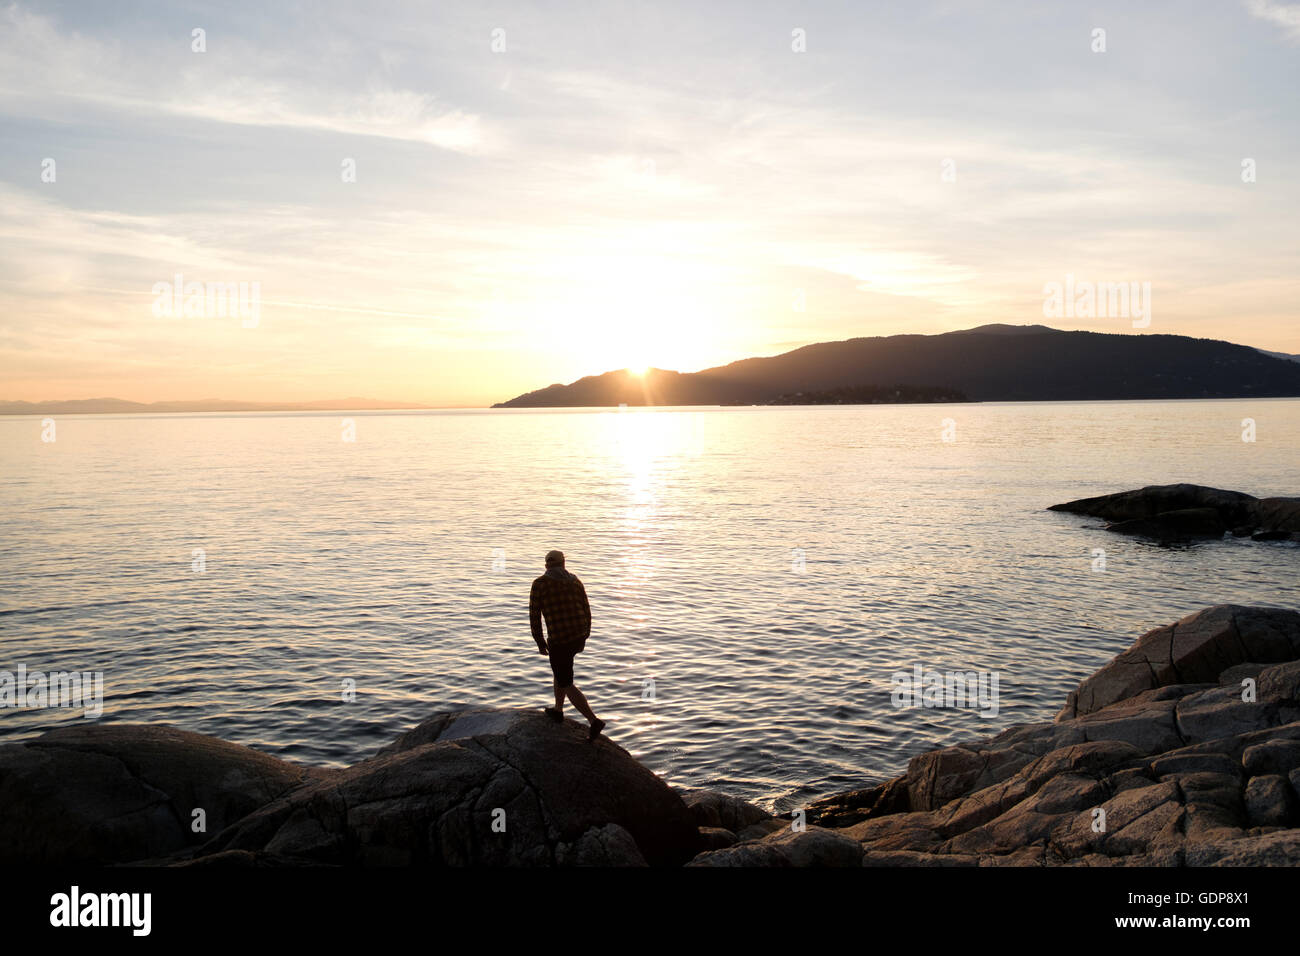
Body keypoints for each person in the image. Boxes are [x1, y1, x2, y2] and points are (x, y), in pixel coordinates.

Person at [529, 550, 605, 739]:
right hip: (578, 635)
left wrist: (539, 641)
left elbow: (534, 617)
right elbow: (587, 609)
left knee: (565, 681)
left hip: (559, 639)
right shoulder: (575, 581)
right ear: (563, 564)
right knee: (560, 671)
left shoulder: (540, 584)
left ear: (546, 565)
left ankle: (593, 721)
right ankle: (558, 709)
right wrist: (586, 634)